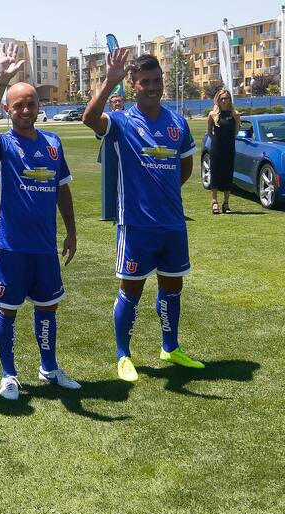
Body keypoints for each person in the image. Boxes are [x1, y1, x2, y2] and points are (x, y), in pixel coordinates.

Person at [82, 50, 205, 382]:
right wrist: (110, 81)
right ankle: (123, 355)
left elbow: (185, 166)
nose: (153, 87)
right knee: (131, 290)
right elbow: (90, 118)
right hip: (136, 225)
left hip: (173, 223)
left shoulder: (178, 123)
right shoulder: (122, 122)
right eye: (145, 82)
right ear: (134, 86)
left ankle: (170, 347)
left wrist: (163, 190)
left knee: (173, 286)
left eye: (157, 81)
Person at [0, 43, 80, 398]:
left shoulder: (53, 143)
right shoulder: (2, 145)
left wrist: (71, 231)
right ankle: (8, 374)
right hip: (9, 245)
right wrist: (2, 80)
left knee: (47, 307)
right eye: (18, 105)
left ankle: (49, 367)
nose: (25, 110)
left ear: (39, 107)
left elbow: (62, 190)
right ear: (7, 110)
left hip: (44, 246)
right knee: (7, 310)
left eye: (31, 104)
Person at [207, 89, 240, 214]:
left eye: (226, 98)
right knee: (215, 172)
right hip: (216, 148)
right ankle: (214, 201)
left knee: (228, 173)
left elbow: (236, 131)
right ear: (218, 100)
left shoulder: (235, 114)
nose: (224, 101)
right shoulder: (212, 114)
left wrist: (228, 141)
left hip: (229, 147)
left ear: (230, 99)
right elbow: (210, 132)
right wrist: (216, 141)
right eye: (222, 99)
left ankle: (226, 203)